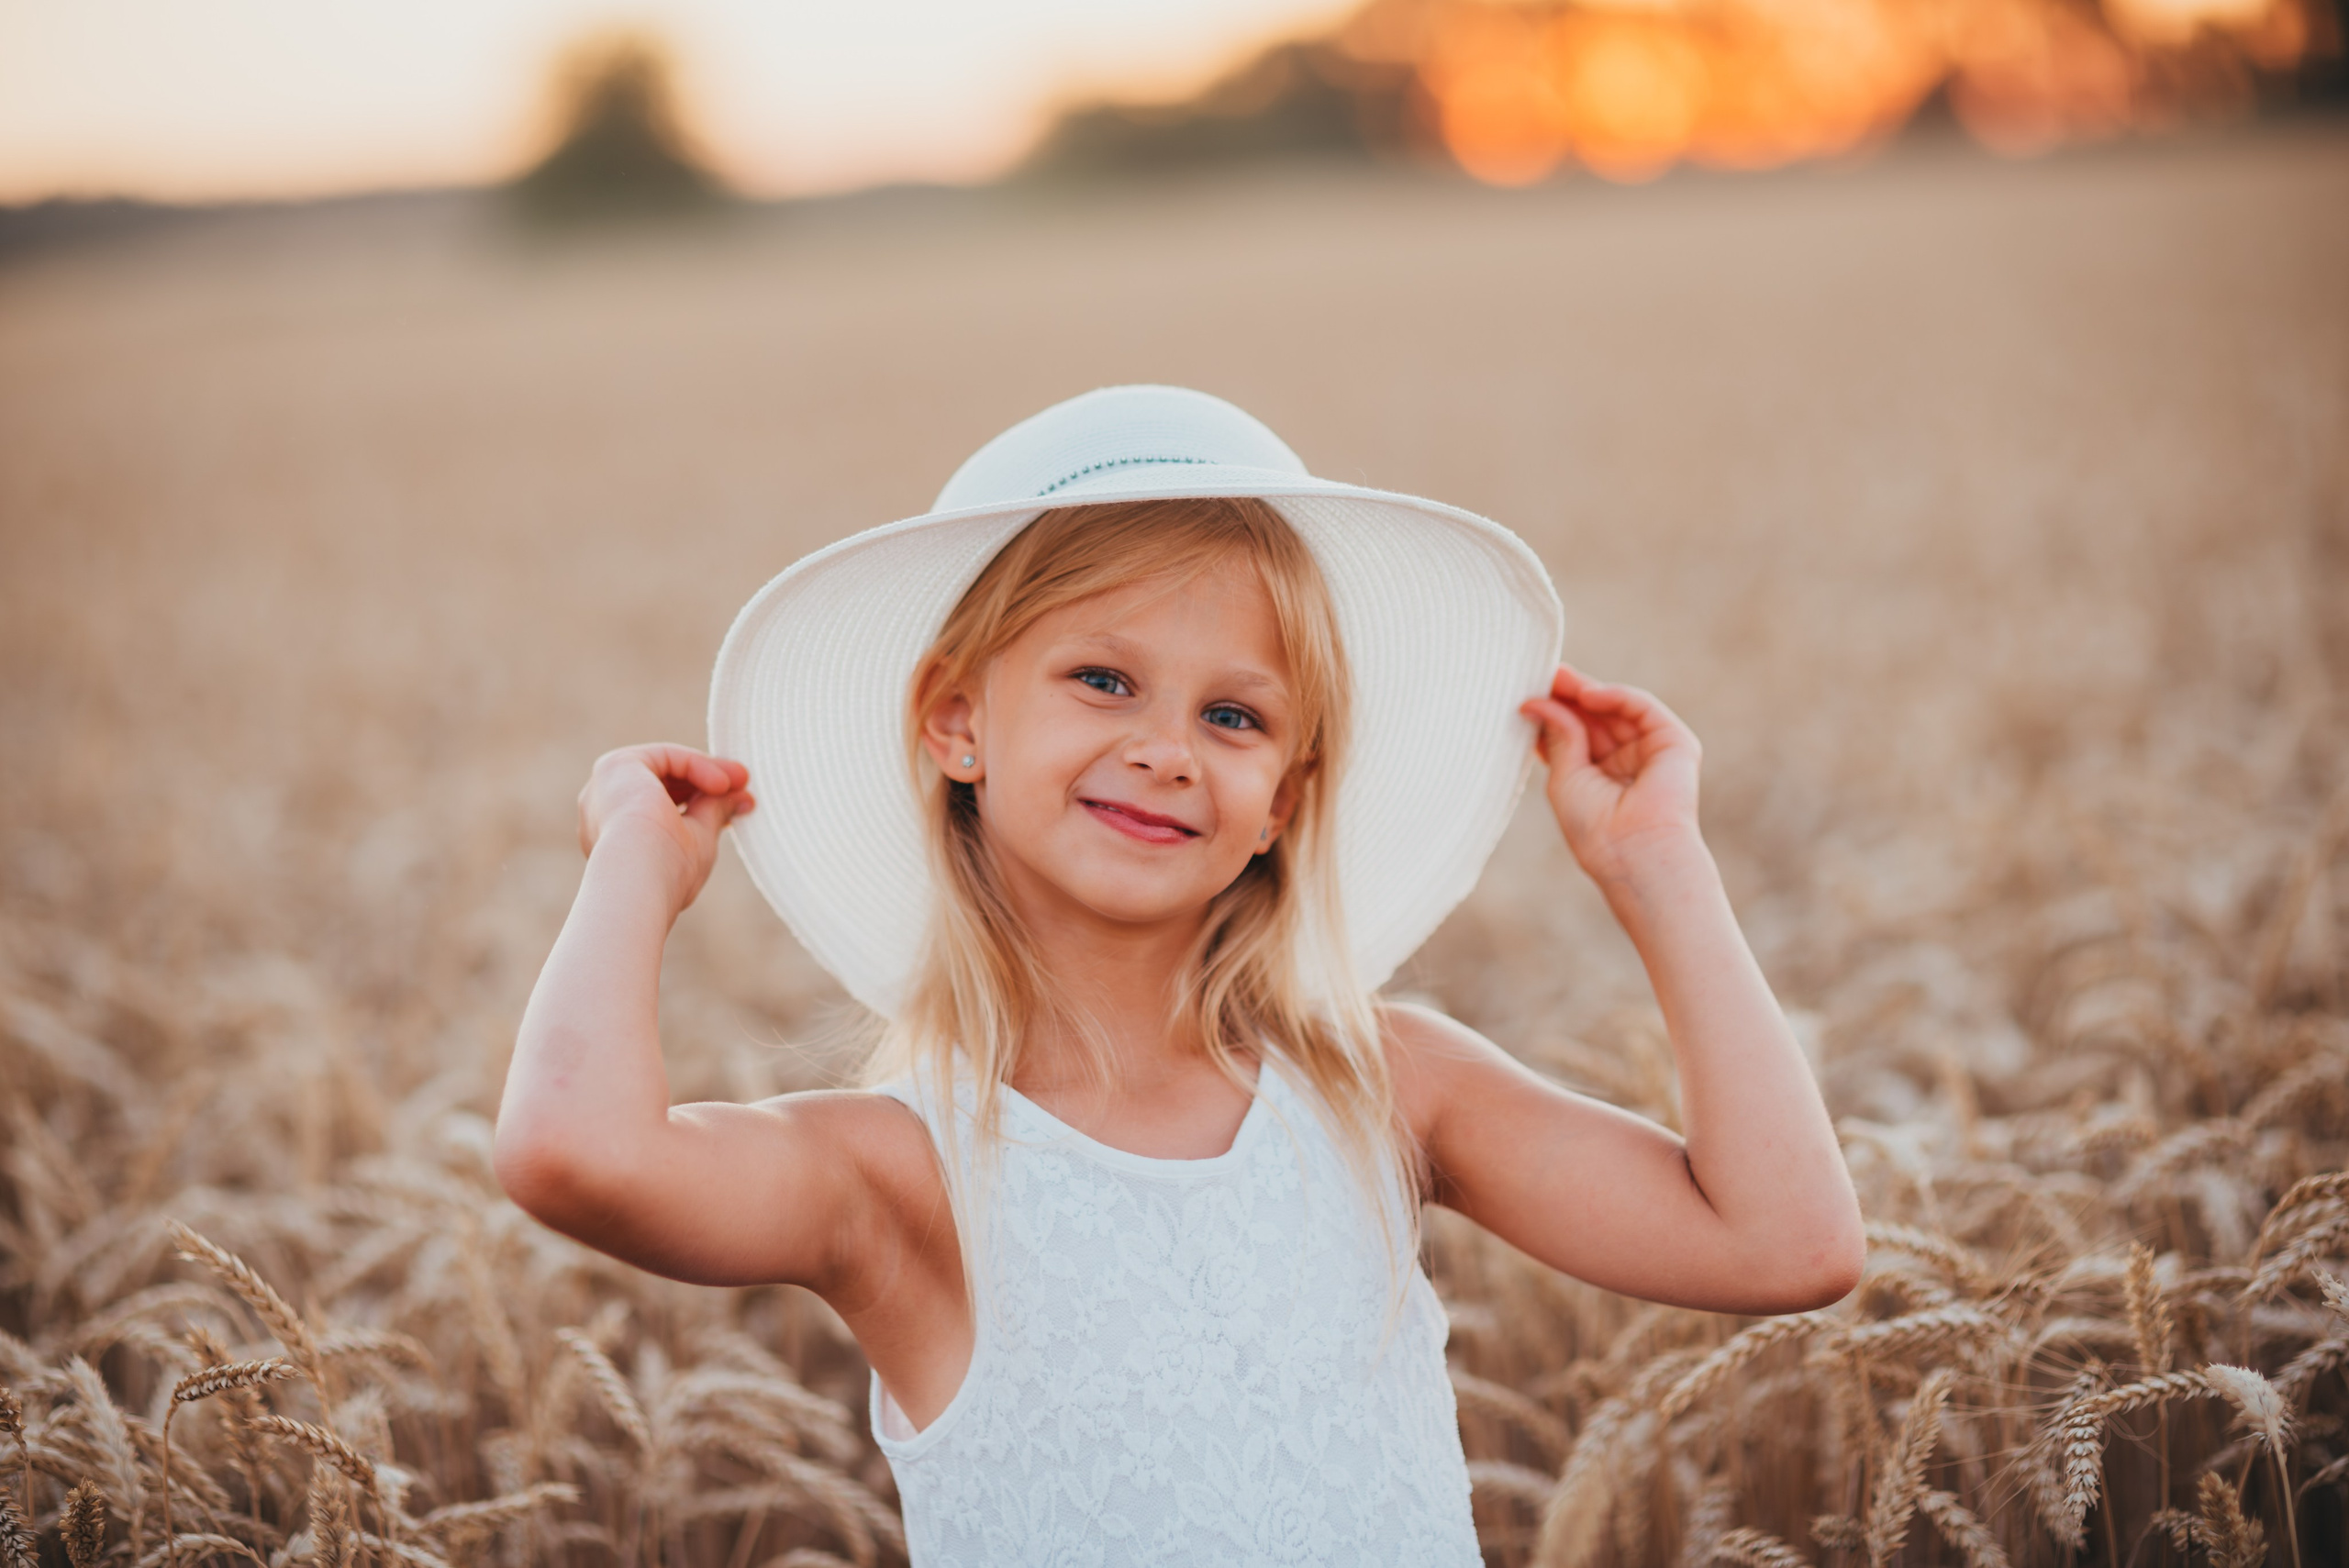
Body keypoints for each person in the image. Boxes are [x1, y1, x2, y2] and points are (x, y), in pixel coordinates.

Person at [495, 385, 1864, 1565]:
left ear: (1283, 800)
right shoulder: (899, 1175)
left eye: (1232, 714)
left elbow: (1788, 1244)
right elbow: (573, 1152)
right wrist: (635, 867)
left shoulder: (1383, 1086)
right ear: (957, 721)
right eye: (1103, 679)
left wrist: (1657, 866)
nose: (1166, 749)